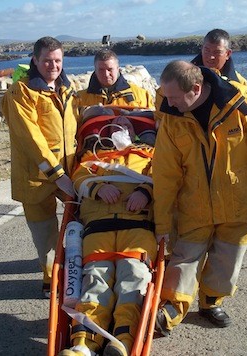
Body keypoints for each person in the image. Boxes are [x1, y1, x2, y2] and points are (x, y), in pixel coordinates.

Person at [152, 60, 247, 335]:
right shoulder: (171, 118)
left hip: (240, 200)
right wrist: (162, 225)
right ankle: (170, 310)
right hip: (195, 204)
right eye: (165, 96)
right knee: (184, 259)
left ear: (196, 88)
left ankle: (211, 301)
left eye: (174, 97)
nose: (169, 103)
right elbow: (165, 176)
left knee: (227, 258)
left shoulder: (240, 102)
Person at [59, 108, 157, 356]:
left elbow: (167, 177)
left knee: (133, 278)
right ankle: (83, 343)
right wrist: (99, 188)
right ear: (107, 132)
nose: (121, 126)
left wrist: (145, 192)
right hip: (98, 226)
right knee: (95, 280)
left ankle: (123, 339)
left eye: (127, 124)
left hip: (138, 226)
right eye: (114, 125)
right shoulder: (93, 158)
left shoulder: (151, 156)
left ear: (136, 132)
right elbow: (79, 178)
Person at [2, 36, 79, 298]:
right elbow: (30, 138)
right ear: (35, 60)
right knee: (44, 234)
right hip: (37, 177)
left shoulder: (67, 89)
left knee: (78, 226)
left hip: (69, 172)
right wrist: (56, 174)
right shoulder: (20, 92)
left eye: (57, 60)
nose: (53, 65)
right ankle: (51, 279)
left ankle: (75, 270)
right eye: (47, 60)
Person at [155, 28, 247, 125]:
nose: (211, 57)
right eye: (207, 50)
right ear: (202, 49)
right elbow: (161, 120)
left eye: (217, 52)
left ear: (228, 54)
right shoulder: (174, 84)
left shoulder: (240, 87)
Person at [77, 49, 154, 109]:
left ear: (118, 69)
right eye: (101, 70)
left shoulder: (143, 96)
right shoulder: (79, 99)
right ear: (95, 70)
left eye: (110, 69)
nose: (106, 74)